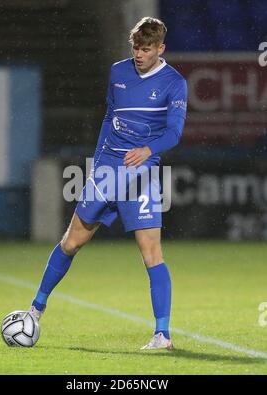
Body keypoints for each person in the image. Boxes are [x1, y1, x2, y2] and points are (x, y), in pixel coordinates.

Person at [30, 16, 187, 350]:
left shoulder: (175, 83)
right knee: (71, 242)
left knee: (152, 254)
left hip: (142, 176)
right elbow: (109, 117)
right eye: (136, 48)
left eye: (147, 49)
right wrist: (98, 164)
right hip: (107, 171)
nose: (139, 54)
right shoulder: (118, 72)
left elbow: (174, 132)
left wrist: (147, 149)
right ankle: (35, 310)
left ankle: (162, 335)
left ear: (161, 48)